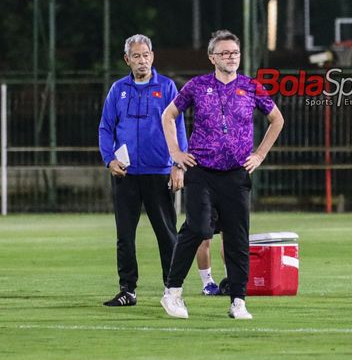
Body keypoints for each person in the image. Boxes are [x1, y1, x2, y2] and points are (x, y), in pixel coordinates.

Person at [160, 29, 284, 319]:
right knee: (200, 227)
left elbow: (277, 119)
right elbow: (168, 116)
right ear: (212, 57)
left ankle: (238, 300)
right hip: (202, 170)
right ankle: (173, 292)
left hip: (236, 174)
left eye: (235, 53)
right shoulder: (197, 86)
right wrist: (176, 154)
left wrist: (260, 154)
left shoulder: (251, 86)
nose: (231, 57)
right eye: (225, 53)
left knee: (238, 237)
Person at [98, 34, 187, 307]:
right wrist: (109, 159)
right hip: (126, 174)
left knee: (167, 234)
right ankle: (128, 290)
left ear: (153, 56)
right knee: (125, 235)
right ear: (127, 60)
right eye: (136, 56)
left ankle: (172, 291)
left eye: (146, 55)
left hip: (159, 172)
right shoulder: (117, 90)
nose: (142, 60)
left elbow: (178, 128)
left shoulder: (168, 87)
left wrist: (178, 165)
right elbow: (105, 128)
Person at [195, 209, 225, 295]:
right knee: (204, 238)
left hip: (227, 197)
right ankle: (207, 283)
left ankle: (230, 280)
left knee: (228, 237)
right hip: (206, 198)